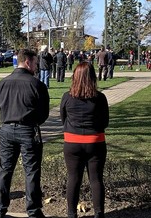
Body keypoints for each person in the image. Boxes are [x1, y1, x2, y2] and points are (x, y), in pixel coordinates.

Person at [0, 49, 50, 218]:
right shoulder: (36, 84)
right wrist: (34, 121)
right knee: (31, 170)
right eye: (35, 63)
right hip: (28, 129)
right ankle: (33, 211)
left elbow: (0, 105)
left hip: (7, 128)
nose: (36, 66)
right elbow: (44, 112)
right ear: (27, 62)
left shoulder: (3, 83)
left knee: (5, 169)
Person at [60, 62, 109, 218]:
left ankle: (71, 214)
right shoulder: (100, 98)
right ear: (93, 77)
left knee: (73, 178)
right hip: (95, 141)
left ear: (75, 77)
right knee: (96, 179)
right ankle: (99, 214)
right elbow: (105, 122)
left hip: (72, 142)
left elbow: (63, 119)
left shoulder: (67, 97)